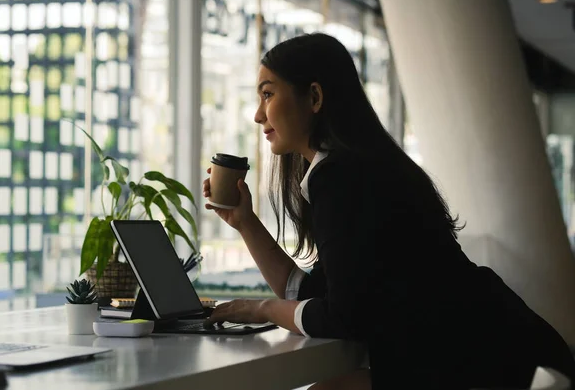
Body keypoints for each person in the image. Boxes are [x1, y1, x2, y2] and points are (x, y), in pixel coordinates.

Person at [202, 32, 575, 389]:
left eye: (267, 94)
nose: (257, 114)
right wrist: (246, 223)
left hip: (486, 364)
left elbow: (342, 316)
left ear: (314, 97)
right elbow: (318, 294)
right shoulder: (356, 166)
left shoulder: (341, 178)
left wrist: (263, 310)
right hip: (498, 354)